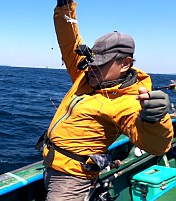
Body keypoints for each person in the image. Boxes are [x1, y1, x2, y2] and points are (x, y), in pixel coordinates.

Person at [41, 1, 174, 200]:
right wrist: (64, 7)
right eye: (92, 61)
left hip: (72, 179)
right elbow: (69, 40)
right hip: (51, 164)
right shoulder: (87, 74)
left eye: (101, 64)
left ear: (125, 64)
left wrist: (155, 119)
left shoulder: (130, 102)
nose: (92, 68)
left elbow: (158, 146)